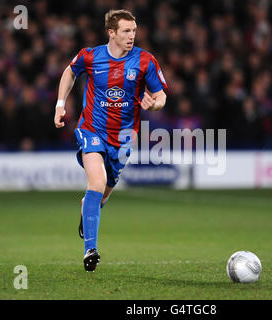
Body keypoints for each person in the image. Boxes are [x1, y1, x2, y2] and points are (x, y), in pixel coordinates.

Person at [53, 9, 167, 272]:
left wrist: (155, 105)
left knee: (102, 194)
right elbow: (69, 72)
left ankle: (88, 207)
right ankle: (90, 250)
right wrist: (60, 104)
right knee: (98, 180)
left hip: (125, 138)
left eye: (134, 31)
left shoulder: (145, 61)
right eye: (126, 31)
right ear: (112, 33)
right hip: (91, 129)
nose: (132, 36)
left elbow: (160, 95)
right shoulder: (90, 56)